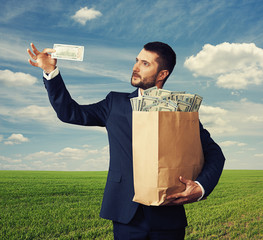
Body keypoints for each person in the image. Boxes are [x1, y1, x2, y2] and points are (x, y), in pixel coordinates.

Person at [27, 41, 225, 240]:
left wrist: (200, 187)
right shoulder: (115, 103)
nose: (135, 67)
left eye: (145, 64)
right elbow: (69, 112)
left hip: (168, 218)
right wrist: (50, 72)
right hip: (126, 216)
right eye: (137, 60)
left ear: (162, 74)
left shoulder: (180, 111)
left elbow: (215, 154)